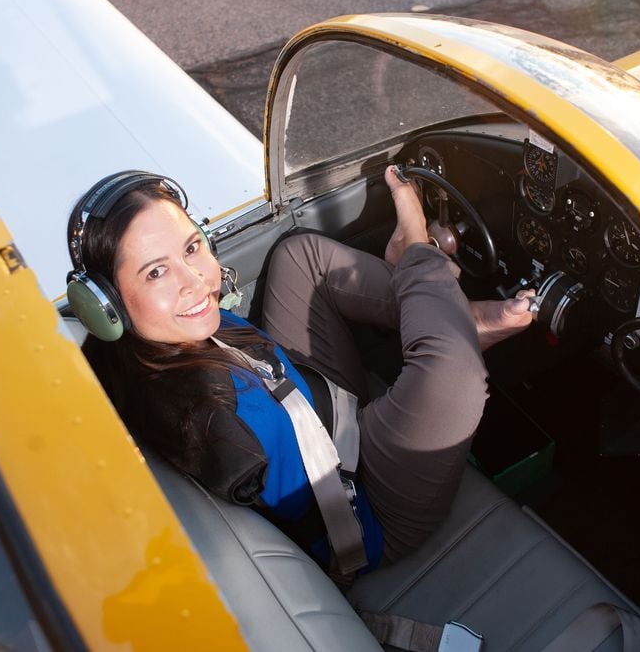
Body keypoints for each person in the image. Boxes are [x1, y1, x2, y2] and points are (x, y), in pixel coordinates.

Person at [68, 166, 534, 576]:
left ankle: (453, 314)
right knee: (453, 371)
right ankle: (419, 254)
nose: (194, 282)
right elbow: (322, 515)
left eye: (192, 248)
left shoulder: (144, 348)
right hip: (366, 503)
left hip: (308, 405)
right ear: (106, 306)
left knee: (301, 258)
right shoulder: (213, 421)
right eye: (155, 273)